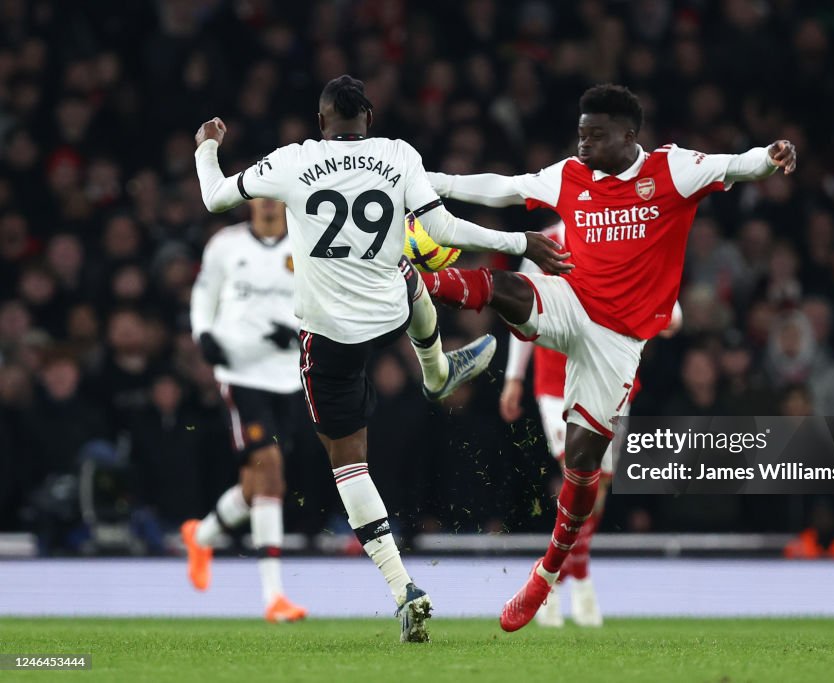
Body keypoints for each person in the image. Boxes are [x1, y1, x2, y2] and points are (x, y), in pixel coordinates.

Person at [192, 75, 567, 642]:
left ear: (322, 123)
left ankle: (403, 588)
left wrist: (206, 145)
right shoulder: (398, 155)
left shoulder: (293, 161)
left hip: (327, 337)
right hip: (388, 313)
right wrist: (518, 241)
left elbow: (215, 197)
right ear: (368, 117)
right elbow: (439, 228)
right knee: (411, 276)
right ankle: (437, 371)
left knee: (349, 464)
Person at [424, 83, 796, 631]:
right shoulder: (570, 176)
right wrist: (434, 182)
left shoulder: (672, 171)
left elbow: (736, 166)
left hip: (618, 343)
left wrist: (769, 156)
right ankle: (418, 280)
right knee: (507, 286)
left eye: (595, 136)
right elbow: (504, 189)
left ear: (629, 136)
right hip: (571, 301)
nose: (583, 145)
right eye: (580, 134)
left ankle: (546, 575)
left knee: (584, 469)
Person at [499, 221, 681, 628]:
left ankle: (565, 576)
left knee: (599, 489)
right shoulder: (543, 241)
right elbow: (518, 305)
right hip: (555, 382)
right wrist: (513, 377)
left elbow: (672, 311)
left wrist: (664, 314)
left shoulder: (629, 235)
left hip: (612, 374)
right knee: (580, 477)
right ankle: (571, 582)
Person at [181, 198, 309, 623]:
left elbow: (320, 303)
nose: (269, 202)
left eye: (277, 193)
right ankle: (274, 597)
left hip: (288, 377)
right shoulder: (226, 244)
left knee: (257, 485)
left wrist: (294, 332)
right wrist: (204, 335)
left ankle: (201, 535)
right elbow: (204, 294)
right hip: (240, 373)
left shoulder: (307, 245)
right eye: (262, 193)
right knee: (271, 469)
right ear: (251, 200)